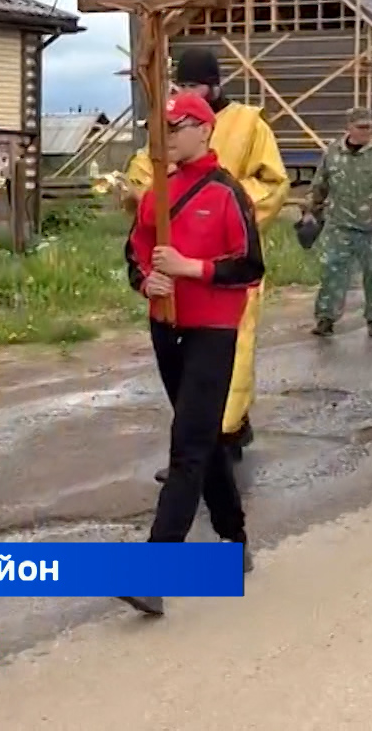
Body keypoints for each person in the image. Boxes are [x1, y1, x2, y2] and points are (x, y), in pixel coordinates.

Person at [117, 92, 265, 617]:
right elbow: (134, 251)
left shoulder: (228, 193)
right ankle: (235, 537)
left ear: (204, 130)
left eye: (177, 126)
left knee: (186, 445)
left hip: (213, 330)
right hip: (166, 325)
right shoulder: (158, 190)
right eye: (161, 128)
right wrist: (147, 280)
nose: (167, 136)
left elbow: (250, 267)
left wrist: (190, 268)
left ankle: (155, 572)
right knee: (202, 438)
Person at [124, 48, 289, 469]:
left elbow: (272, 182)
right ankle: (200, 445)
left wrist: (224, 206)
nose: (185, 92)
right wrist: (149, 197)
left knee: (231, 348)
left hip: (225, 256)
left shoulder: (250, 124)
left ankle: (223, 435)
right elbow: (148, 170)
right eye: (180, 85)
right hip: (173, 256)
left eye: (194, 85)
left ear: (215, 86)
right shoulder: (173, 124)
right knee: (181, 356)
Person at [308, 108, 372, 339]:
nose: (366, 132)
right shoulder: (333, 153)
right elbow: (320, 183)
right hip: (339, 224)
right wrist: (312, 210)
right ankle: (326, 319)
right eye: (361, 127)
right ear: (348, 127)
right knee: (332, 271)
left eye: (369, 127)